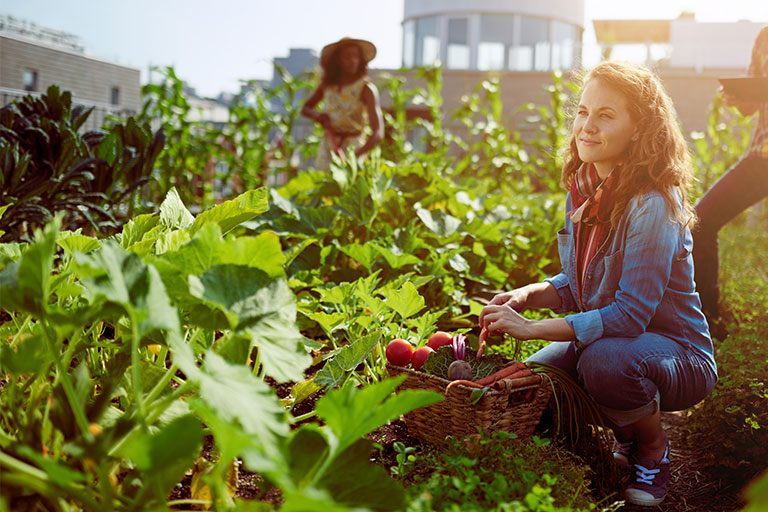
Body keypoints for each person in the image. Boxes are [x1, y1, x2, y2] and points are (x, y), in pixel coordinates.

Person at [478, 61, 717, 507]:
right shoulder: (586, 190)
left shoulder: (653, 204)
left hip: (679, 354)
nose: (587, 126)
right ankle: (622, 428)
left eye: (606, 115)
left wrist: (530, 328)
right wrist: (528, 295)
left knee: (605, 363)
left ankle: (650, 447)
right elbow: (579, 281)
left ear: (640, 128)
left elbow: (628, 317)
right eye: (583, 111)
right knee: (538, 378)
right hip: (619, 340)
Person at [693, 26, 768, 333]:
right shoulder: (763, 37)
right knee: (700, 220)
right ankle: (706, 317)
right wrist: (737, 97)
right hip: (762, 155)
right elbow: (752, 106)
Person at [301, 37, 384, 169]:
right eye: (347, 57)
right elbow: (305, 108)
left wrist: (357, 154)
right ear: (337, 61)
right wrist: (318, 116)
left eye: (356, 57)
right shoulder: (327, 86)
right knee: (324, 186)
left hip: (354, 148)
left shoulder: (366, 88)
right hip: (329, 146)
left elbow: (378, 132)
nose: (352, 61)